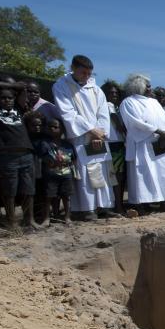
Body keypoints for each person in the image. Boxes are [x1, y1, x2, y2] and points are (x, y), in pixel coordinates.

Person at [52, 55, 117, 220]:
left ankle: (105, 206)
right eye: (83, 73)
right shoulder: (62, 86)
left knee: (102, 170)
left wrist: (100, 132)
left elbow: (103, 112)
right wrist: (90, 130)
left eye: (89, 73)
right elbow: (67, 112)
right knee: (85, 173)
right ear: (73, 68)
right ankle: (87, 209)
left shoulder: (95, 88)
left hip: (98, 136)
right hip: (80, 136)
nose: (87, 77)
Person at [119, 74, 165, 212]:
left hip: (162, 143)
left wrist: (164, 135)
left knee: (164, 173)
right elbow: (134, 123)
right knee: (144, 174)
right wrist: (158, 132)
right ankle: (141, 204)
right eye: (148, 86)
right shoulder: (128, 102)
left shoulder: (154, 102)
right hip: (142, 144)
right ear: (139, 87)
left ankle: (163, 201)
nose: (151, 89)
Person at [0, 83, 35, 230]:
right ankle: (12, 221)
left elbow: (23, 89)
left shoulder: (18, 109)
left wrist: (17, 87)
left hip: (26, 154)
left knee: (28, 189)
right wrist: (10, 85)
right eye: (3, 98)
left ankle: (29, 220)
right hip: (6, 157)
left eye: (10, 97)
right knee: (9, 191)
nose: (7, 100)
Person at [34, 118, 76, 223]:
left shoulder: (67, 145)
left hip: (66, 173)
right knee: (49, 196)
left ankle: (67, 217)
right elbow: (43, 157)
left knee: (66, 196)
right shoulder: (44, 143)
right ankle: (47, 218)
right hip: (50, 173)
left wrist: (68, 165)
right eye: (50, 127)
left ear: (62, 130)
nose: (52, 129)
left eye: (55, 127)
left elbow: (73, 158)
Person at [101, 81, 128, 215]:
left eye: (116, 92)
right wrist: (124, 130)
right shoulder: (108, 105)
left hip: (114, 143)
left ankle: (116, 205)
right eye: (111, 92)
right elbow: (115, 120)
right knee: (117, 176)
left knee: (115, 176)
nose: (114, 95)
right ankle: (118, 206)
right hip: (113, 144)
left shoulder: (114, 107)